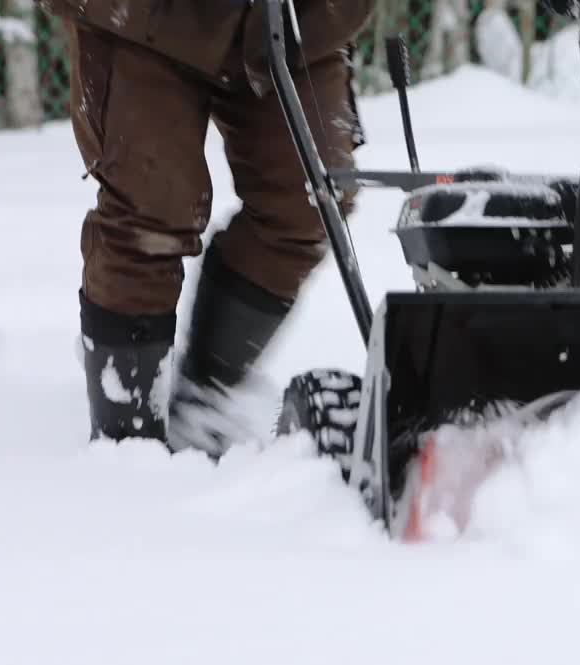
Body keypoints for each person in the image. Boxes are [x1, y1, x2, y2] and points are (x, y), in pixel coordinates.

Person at [40, 1, 375, 456]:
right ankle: (128, 444)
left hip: (300, 17)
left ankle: (206, 396)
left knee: (308, 204)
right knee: (150, 211)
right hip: (144, 17)